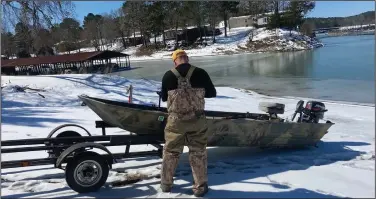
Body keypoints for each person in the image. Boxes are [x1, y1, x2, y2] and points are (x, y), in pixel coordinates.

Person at [159, 49, 216, 197]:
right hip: (197, 121)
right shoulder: (201, 73)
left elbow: (164, 98)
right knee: (198, 153)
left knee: (170, 152)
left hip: (175, 122)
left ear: (175, 61)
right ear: (187, 58)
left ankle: (166, 185)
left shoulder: (168, 75)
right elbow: (212, 93)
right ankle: (200, 188)